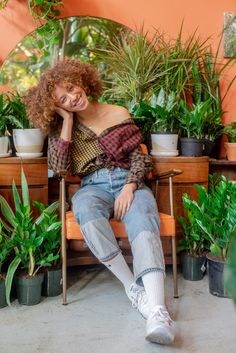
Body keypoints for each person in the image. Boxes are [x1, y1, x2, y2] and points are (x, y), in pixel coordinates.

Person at [24, 58, 176, 345]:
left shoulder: (118, 112)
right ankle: (133, 288)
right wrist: (68, 120)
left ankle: (157, 311)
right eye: (62, 99)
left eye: (71, 87)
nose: (72, 97)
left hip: (127, 180)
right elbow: (59, 168)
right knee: (85, 211)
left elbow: (139, 157)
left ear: (82, 80)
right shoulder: (64, 127)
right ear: (57, 106)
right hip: (91, 186)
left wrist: (131, 187)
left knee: (143, 218)